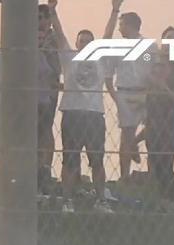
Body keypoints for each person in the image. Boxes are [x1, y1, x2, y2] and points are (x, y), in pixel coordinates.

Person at [47, 0, 112, 213]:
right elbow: (59, 33)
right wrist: (52, 10)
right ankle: (67, 200)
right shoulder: (69, 57)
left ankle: (101, 200)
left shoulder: (100, 60)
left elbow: (108, 35)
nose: (85, 44)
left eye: (89, 41)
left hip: (94, 115)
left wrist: (115, 9)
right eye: (82, 41)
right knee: (70, 160)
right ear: (77, 44)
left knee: (97, 161)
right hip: (73, 115)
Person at [103, 0, 149, 183]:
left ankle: (135, 144)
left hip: (145, 92)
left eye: (121, 24)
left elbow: (152, 65)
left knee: (153, 127)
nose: (119, 28)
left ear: (130, 25)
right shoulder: (116, 48)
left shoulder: (147, 46)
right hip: (124, 92)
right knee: (126, 134)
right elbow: (108, 75)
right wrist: (116, 98)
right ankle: (124, 175)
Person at [137, 54, 174, 207]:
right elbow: (146, 108)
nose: (159, 68)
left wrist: (164, 87)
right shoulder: (149, 88)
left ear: (169, 68)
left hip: (170, 129)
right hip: (153, 130)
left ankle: (170, 199)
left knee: (166, 164)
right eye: (156, 65)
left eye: (162, 65)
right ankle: (163, 199)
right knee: (156, 164)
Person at [37, 3, 62, 194]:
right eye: (38, 17)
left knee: (46, 127)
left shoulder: (55, 38)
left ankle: (46, 166)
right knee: (33, 129)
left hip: (50, 88)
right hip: (31, 90)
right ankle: (34, 166)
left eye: (44, 17)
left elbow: (57, 63)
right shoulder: (28, 36)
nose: (41, 21)